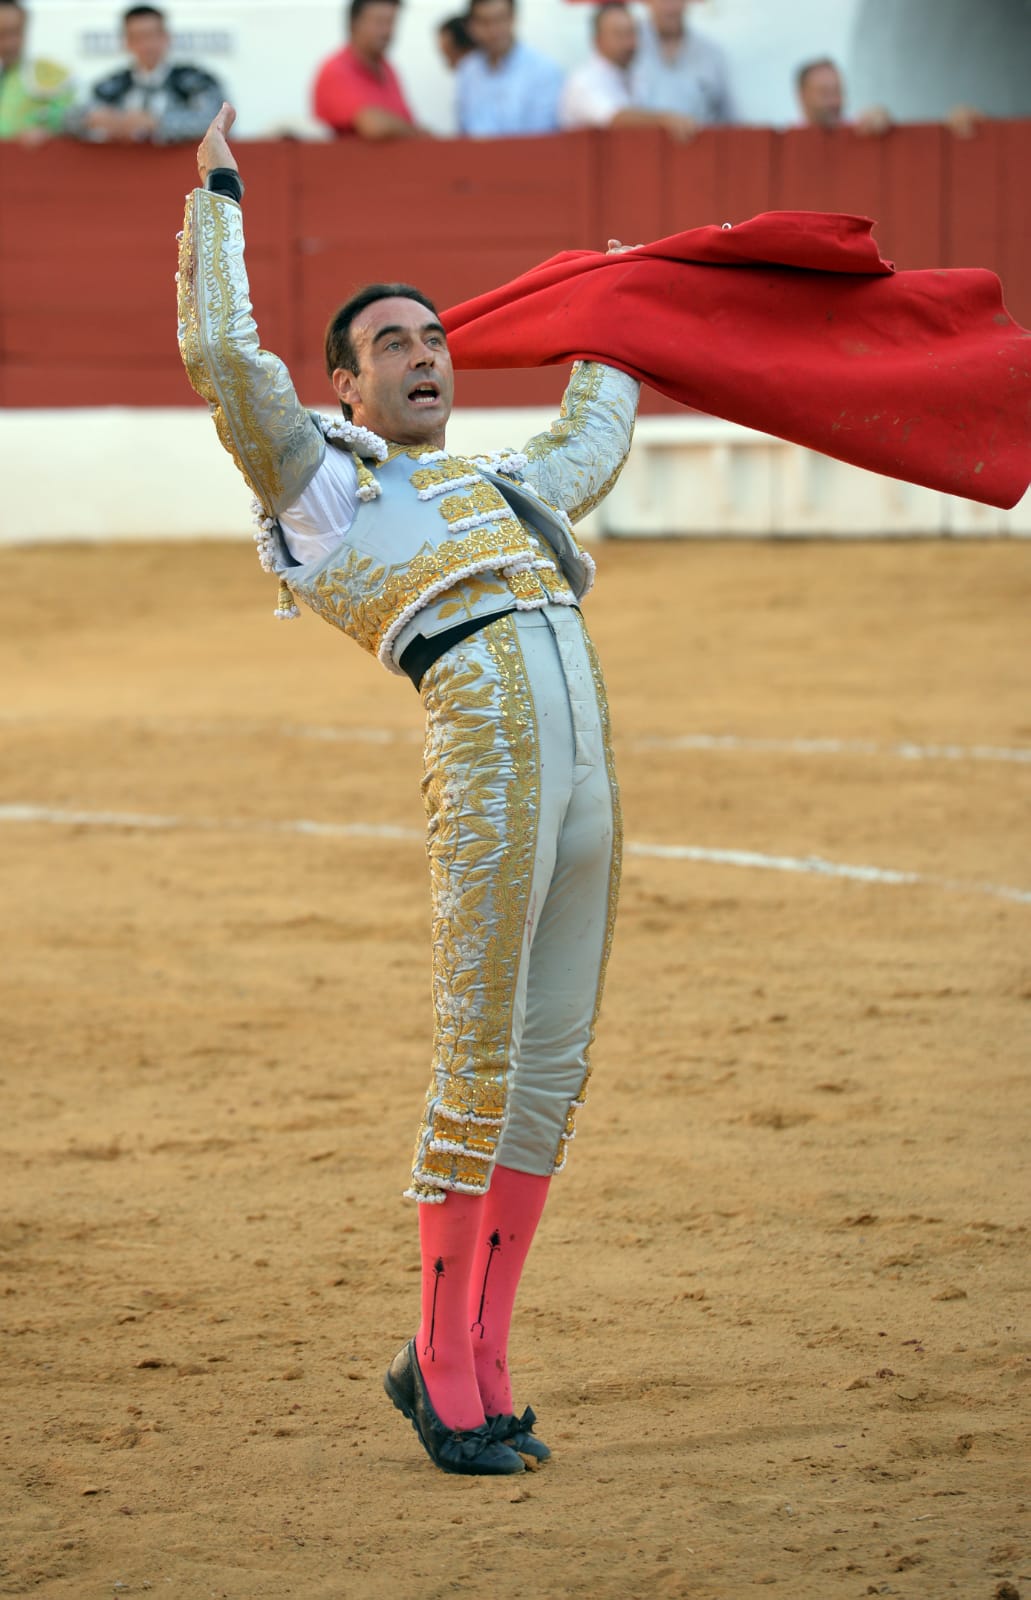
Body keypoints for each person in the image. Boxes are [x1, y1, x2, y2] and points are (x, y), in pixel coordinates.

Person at [178, 103, 639, 1477]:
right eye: (392, 345)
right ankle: (440, 1372)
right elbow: (215, 349)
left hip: (587, 781)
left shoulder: (502, 485)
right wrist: (217, 192)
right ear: (341, 388)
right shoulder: (321, 489)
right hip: (491, 766)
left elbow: (593, 436)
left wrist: (628, 304)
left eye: (434, 340)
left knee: (549, 1073)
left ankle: (480, 1359)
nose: (425, 356)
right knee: (479, 1063)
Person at [65, 4, 223, 145]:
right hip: (123, 170)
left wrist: (157, 123)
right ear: (126, 42)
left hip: (182, 171)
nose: (146, 45)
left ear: (165, 37)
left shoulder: (196, 82)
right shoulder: (110, 86)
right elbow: (67, 120)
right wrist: (92, 120)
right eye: (137, 37)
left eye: (151, 35)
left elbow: (218, 123)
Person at [560, 2, 697, 139]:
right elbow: (614, 118)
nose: (629, 43)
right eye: (619, 35)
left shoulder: (637, 76)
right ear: (598, 41)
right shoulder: (584, 80)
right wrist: (666, 120)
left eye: (632, 33)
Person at [313, 0, 424, 140]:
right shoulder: (336, 70)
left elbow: (407, 121)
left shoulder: (388, 70)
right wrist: (417, 132)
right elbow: (373, 125)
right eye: (379, 22)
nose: (386, 31)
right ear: (354, 24)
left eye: (391, 22)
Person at [456, 0, 563, 136]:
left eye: (500, 19)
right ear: (472, 26)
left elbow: (541, 137)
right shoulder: (467, 70)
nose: (493, 30)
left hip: (529, 155)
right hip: (476, 156)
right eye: (484, 22)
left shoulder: (543, 71)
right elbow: (464, 131)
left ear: (513, 18)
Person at [631, 0, 734, 129]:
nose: (670, 8)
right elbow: (608, 108)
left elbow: (729, 116)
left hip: (700, 143)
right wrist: (662, 120)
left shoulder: (710, 53)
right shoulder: (625, 44)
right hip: (634, 143)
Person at [0, 0, 74, 143]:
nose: (10, 43)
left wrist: (48, 129)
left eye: (15, 32)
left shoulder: (53, 73)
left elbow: (73, 116)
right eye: (2, 33)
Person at [794, 56, 891, 136]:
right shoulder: (790, 143)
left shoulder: (858, 132)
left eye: (838, 92)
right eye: (825, 94)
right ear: (802, 96)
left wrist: (880, 121)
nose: (834, 102)